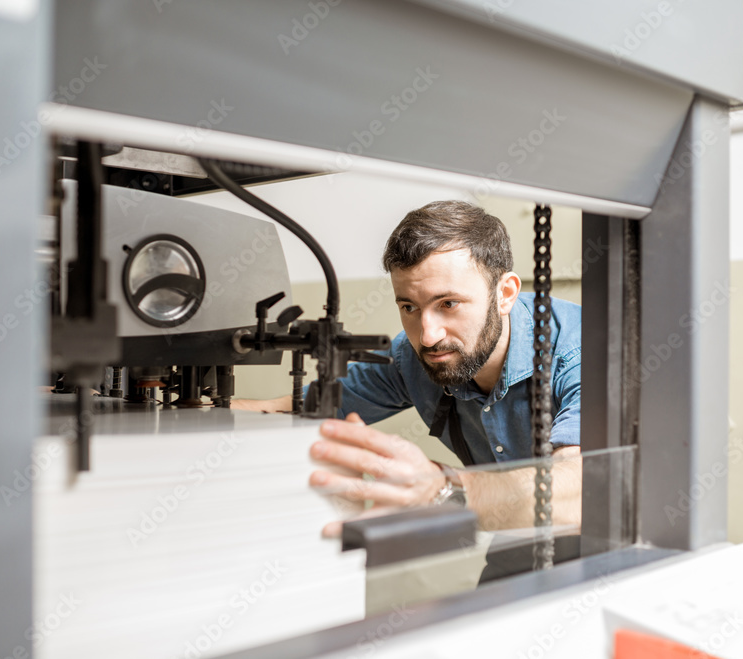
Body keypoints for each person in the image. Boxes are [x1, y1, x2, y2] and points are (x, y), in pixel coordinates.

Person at [233, 200, 582, 537]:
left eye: (449, 304)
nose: (428, 337)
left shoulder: (579, 352)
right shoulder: (411, 357)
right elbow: (300, 410)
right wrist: (197, 409)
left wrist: (444, 489)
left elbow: (583, 488)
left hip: (612, 535)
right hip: (516, 531)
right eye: (410, 307)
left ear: (504, 293)